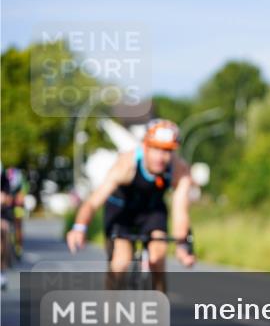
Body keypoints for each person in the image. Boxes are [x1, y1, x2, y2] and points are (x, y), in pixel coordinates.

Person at [66, 119, 196, 291]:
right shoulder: (126, 164)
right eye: (155, 148)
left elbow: (180, 212)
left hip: (152, 210)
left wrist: (182, 246)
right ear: (145, 146)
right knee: (121, 261)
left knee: (158, 258)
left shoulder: (179, 170)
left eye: (167, 151)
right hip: (121, 211)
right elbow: (93, 201)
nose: (160, 157)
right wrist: (79, 227)